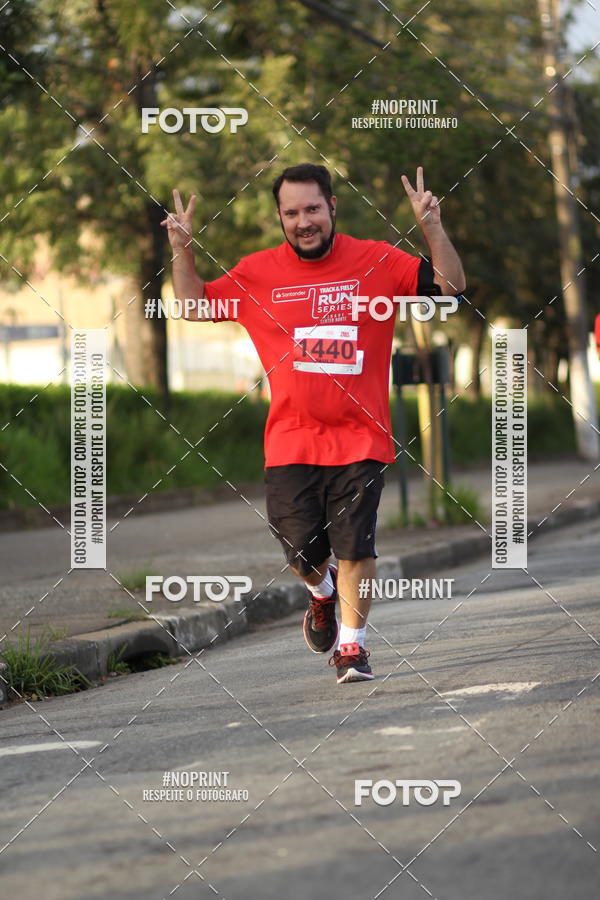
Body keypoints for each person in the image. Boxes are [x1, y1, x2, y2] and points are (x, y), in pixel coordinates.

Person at [162, 163, 465, 684]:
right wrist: (182, 249)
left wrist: (432, 227)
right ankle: (321, 593)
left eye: (312, 209)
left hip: (362, 438)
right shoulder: (257, 273)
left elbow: (451, 287)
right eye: (291, 213)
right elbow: (193, 305)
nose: (303, 221)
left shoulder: (376, 260)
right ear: (280, 217)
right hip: (291, 442)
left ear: (331, 207)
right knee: (304, 553)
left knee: (355, 546)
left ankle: (352, 647)